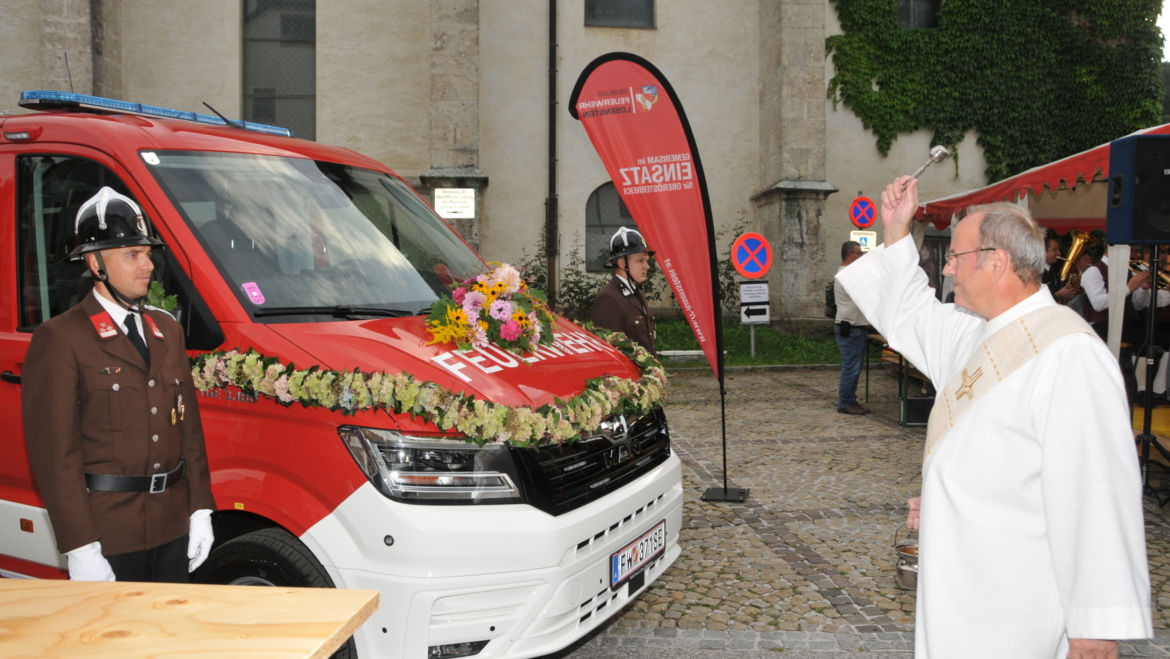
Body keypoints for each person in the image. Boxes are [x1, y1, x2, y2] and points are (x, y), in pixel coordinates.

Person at [837, 176, 1151, 659]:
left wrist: (1094, 631)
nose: (946, 272)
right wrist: (897, 230)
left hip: (1017, 610)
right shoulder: (977, 333)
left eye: (955, 259)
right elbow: (911, 313)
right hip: (968, 593)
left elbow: (1096, 493)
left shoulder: (1068, 353)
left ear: (997, 262)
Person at [22, 187, 216, 583]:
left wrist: (200, 510)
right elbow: (56, 457)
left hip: (172, 526)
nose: (147, 265)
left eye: (147, 253)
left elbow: (189, 431)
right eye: (132, 255)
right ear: (96, 263)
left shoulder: (167, 329)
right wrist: (81, 547)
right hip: (108, 534)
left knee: (169, 641)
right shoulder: (61, 338)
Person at [591, 227, 657, 353]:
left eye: (646, 261)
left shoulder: (637, 294)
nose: (647, 266)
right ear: (622, 264)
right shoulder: (608, 298)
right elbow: (607, 351)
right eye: (640, 260)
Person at [834, 241, 870, 415]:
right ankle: (846, 402)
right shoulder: (847, 275)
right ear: (851, 255)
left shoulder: (847, 274)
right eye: (859, 253)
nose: (861, 256)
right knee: (851, 367)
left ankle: (849, 399)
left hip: (854, 326)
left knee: (853, 366)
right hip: (851, 327)